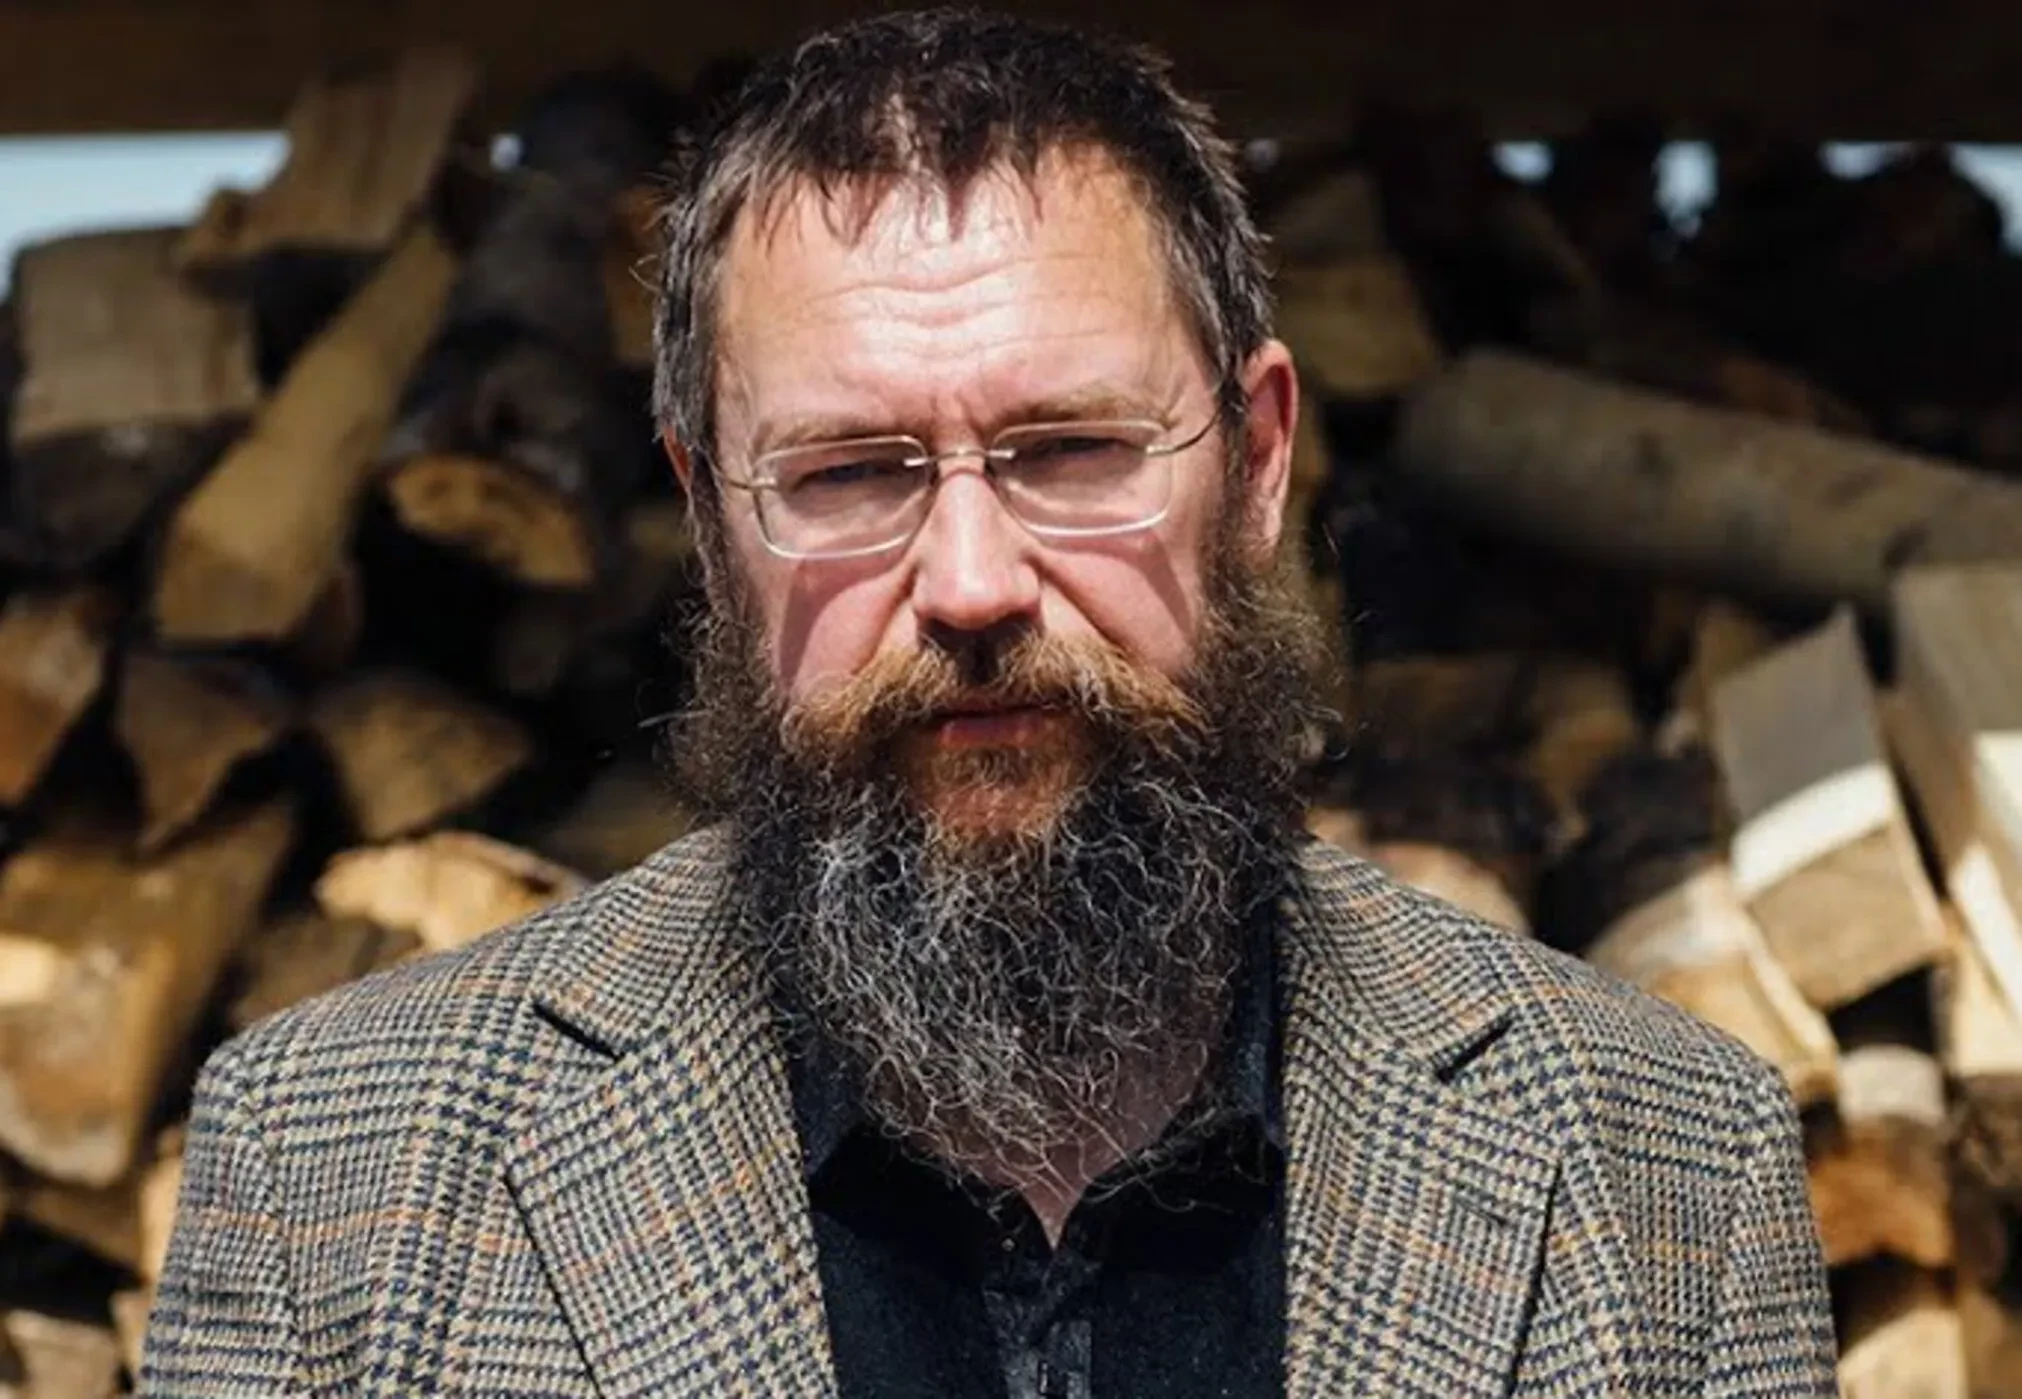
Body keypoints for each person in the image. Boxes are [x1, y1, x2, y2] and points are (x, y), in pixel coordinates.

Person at [141, 10, 1837, 1396]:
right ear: (708, 516)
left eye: (1070, 449)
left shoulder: (1665, 1162)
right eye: (848, 471)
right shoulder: (338, 1172)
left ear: (1257, 463)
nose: (968, 581)